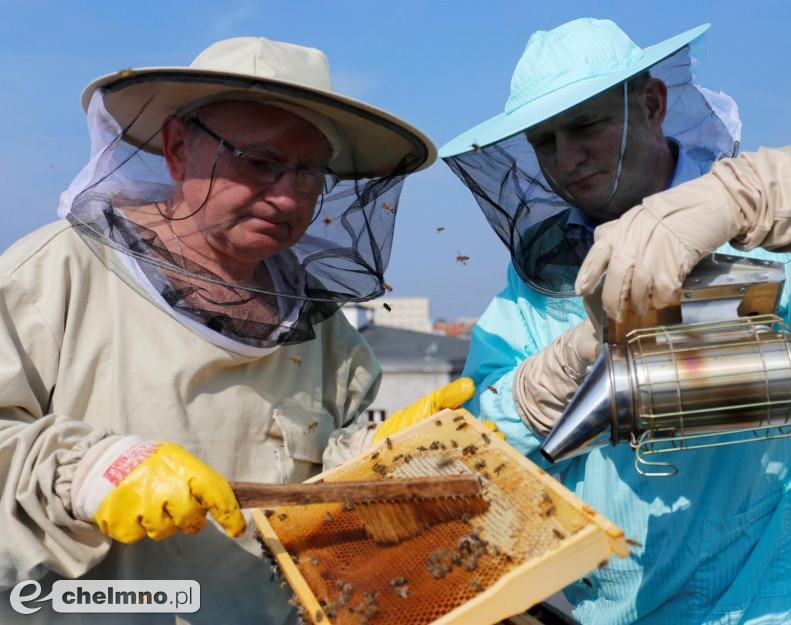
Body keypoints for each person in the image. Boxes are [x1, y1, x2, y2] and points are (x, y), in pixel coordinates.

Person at [434, 18, 791, 624]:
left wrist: (742, 198)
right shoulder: (534, 290)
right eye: (544, 141)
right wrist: (561, 371)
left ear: (652, 104)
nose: (566, 159)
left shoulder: (779, 239)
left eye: (586, 126)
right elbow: (476, 458)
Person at [0, 37, 471, 623]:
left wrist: (372, 460)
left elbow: (323, 496)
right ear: (177, 148)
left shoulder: (328, 335)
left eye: (309, 172)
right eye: (258, 161)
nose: (287, 197)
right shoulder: (49, 277)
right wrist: (90, 471)